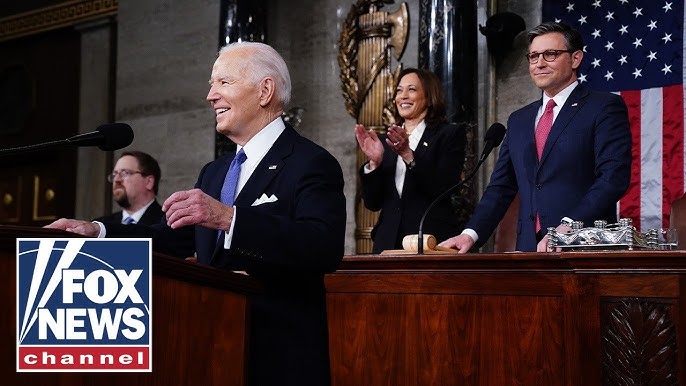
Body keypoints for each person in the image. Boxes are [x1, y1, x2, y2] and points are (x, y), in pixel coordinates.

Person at [47, 42, 346, 386]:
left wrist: (230, 220)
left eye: (223, 83)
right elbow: (171, 238)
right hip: (211, 351)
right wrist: (97, 233)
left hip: (278, 358)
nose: (210, 96)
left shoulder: (310, 162)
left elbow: (321, 246)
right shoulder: (214, 172)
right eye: (210, 84)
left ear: (265, 90)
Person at [439, 21, 631, 253]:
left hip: (584, 246)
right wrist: (470, 234)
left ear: (576, 59)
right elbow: (501, 186)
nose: (539, 63)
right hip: (529, 249)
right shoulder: (519, 119)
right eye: (533, 56)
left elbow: (613, 178)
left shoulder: (603, 106)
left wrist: (569, 227)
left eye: (550, 54)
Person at [355, 68, 467, 253]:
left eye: (412, 90)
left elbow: (443, 187)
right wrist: (374, 163)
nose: (403, 96)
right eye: (399, 90)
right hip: (388, 243)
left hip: (431, 241)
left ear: (430, 97)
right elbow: (373, 203)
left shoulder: (448, 135)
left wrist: (408, 154)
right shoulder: (385, 141)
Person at [93, 150, 163, 225]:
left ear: (149, 182)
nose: (116, 180)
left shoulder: (168, 224)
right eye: (114, 174)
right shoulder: (101, 226)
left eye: (125, 173)